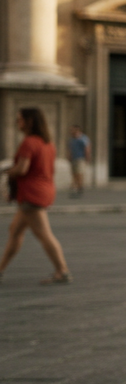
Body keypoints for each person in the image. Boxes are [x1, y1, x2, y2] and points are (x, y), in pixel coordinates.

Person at [0, 108, 72, 285]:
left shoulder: (29, 142)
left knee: (44, 234)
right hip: (43, 190)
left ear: (29, 121)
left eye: (19, 120)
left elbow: (22, 169)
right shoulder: (48, 144)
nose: (17, 123)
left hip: (31, 194)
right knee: (15, 231)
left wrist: (6, 171)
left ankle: (62, 271)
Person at [67, 125, 91, 197]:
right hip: (74, 158)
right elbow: (70, 149)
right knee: (74, 173)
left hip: (80, 158)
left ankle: (80, 187)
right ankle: (76, 187)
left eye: (73, 130)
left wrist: (87, 158)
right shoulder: (72, 139)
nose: (71, 131)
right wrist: (69, 156)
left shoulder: (83, 138)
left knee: (79, 173)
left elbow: (87, 148)